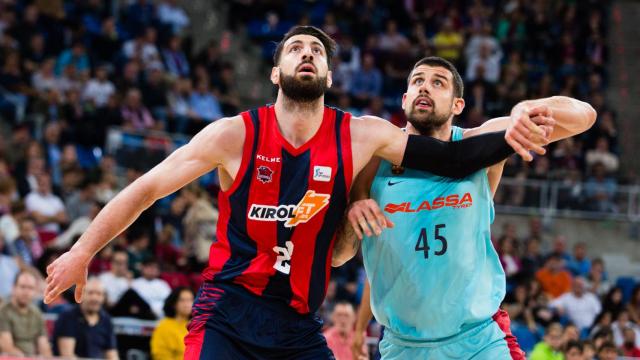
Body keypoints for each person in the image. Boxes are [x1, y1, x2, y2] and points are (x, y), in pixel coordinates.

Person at [44, 26, 546, 358]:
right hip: (229, 311)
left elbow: (452, 157)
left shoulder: (360, 134)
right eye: (295, 48)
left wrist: (512, 135)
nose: (307, 54)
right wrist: (83, 250)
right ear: (275, 71)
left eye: (317, 51)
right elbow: (148, 187)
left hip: (300, 324)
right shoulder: (233, 134)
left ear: (329, 75)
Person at [338, 56, 595, 359]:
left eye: (438, 83)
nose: (425, 88)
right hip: (404, 346)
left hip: (478, 341)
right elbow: (346, 258)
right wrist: (351, 208)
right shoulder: (374, 159)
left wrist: (527, 109)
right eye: (418, 81)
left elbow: (585, 115)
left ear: (458, 105)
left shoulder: (481, 142)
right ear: (405, 99)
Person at [53, 278, 118, 359]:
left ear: (103, 297)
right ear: (81, 294)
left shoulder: (106, 320)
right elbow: (68, 356)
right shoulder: (68, 317)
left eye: (99, 294)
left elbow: (112, 354)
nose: (95, 298)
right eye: (90, 293)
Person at [0, 271, 52, 357]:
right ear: (14, 288)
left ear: (35, 291)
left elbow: (44, 346)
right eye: (22, 287)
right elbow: (7, 347)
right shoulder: (3, 311)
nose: (26, 292)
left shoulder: (37, 313)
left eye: (30, 288)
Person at [150, 287, 195, 360]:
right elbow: (160, 355)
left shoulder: (197, 325)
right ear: (174, 303)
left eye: (190, 300)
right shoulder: (164, 326)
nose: (187, 304)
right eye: (182, 300)